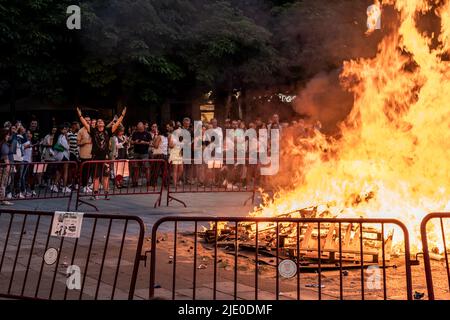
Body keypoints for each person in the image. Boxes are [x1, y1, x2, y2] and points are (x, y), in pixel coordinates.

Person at [77, 106, 127, 200]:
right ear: (97, 125)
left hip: (105, 157)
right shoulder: (93, 131)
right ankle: (95, 194)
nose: (100, 122)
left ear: (104, 124)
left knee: (106, 175)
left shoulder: (108, 131)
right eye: (98, 121)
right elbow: (84, 123)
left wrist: (122, 115)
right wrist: (80, 115)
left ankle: (106, 193)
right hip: (95, 157)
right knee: (96, 176)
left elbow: (117, 124)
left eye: (101, 121)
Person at [130, 121, 151, 186]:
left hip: (144, 153)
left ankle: (148, 182)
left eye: (141, 128)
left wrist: (144, 142)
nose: (140, 129)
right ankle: (135, 182)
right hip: (136, 152)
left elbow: (151, 143)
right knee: (135, 167)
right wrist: (134, 142)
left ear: (143, 127)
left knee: (146, 167)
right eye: (138, 128)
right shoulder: (135, 133)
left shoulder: (147, 134)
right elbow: (131, 141)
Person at [77, 116, 93, 193]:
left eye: (89, 120)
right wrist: (85, 142)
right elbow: (78, 143)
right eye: (86, 120)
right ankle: (83, 186)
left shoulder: (92, 130)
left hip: (91, 154)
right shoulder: (81, 131)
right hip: (84, 154)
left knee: (89, 171)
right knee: (84, 171)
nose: (87, 121)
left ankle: (86, 185)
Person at [0, 129, 13, 206]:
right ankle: (2, 199)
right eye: (7, 135)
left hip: (2, 166)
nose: (8, 136)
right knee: (3, 183)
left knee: (4, 182)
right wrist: (8, 166)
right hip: (3, 166)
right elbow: (5, 157)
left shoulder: (3, 144)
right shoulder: (3, 145)